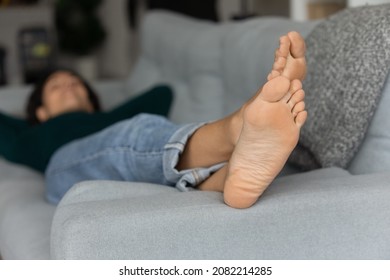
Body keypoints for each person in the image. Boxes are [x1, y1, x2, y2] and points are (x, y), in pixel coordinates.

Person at [3, 31, 307, 209]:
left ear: (92, 100)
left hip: (141, 170)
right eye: (56, 86)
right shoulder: (30, 137)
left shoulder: (108, 117)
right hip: (66, 171)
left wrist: (106, 113)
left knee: (146, 136)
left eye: (75, 81)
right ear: (40, 113)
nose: (68, 83)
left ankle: (226, 176)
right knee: (135, 131)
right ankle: (237, 126)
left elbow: (162, 92)